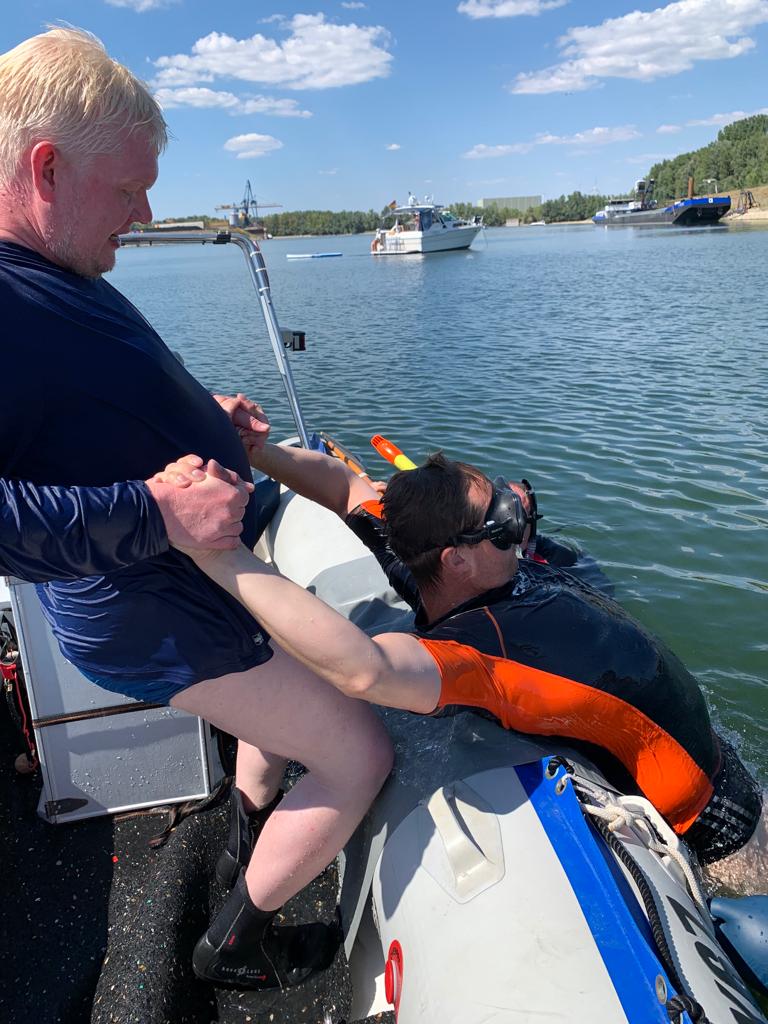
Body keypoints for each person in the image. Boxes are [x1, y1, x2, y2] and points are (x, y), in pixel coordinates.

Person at [0, 28, 392, 990]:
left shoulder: (50, 268)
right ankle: (235, 943)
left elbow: (79, 409)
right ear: (46, 171)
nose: (144, 212)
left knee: (281, 708)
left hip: (186, 569)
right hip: (144, 602)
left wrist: (202, 420)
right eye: (128, 189)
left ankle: (245, 840)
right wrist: (157, 513)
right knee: (358, 751)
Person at [159, 443, 767, 895]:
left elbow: (345, 491)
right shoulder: (483, 635)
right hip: (699, 768)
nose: (520, 533)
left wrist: (253, 457)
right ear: (454, 560)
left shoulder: (470, 595)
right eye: (502, 528)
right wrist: (217, 548)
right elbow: (364, 664)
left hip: (716, 822)